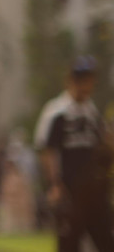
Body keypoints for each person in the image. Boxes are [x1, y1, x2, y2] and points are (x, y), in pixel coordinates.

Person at [35, 55, 114, 252]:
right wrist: (54, 184)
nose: (85, 85)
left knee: (105, 242)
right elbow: (47, 149)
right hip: (69, 191)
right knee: (69, 244)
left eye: (89, 80)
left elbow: (103, 148)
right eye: (81, 79)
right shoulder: (56, 111)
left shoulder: (92, 112)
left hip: (95, 192)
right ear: (70, 80)